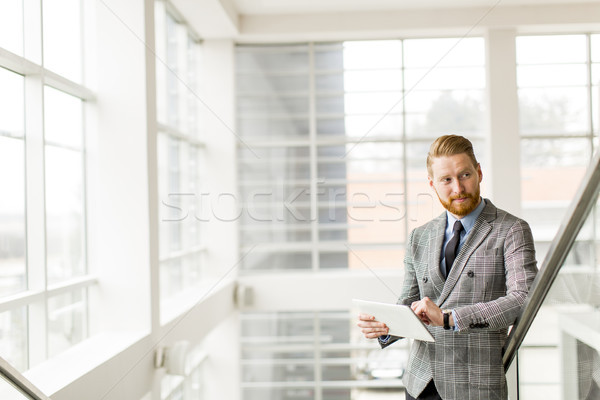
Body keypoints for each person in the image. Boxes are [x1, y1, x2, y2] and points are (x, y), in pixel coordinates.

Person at [357, 135, 538, 400]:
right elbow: (408, 302)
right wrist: (386, 326)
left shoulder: (511, 229)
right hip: (420, 383)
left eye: (464, 175)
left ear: (478, 172)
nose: (458, 188)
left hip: (476, 387)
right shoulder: (419, 236)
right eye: (446, 180)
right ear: (432, 184)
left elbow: (523, 300)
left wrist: (449, 318)